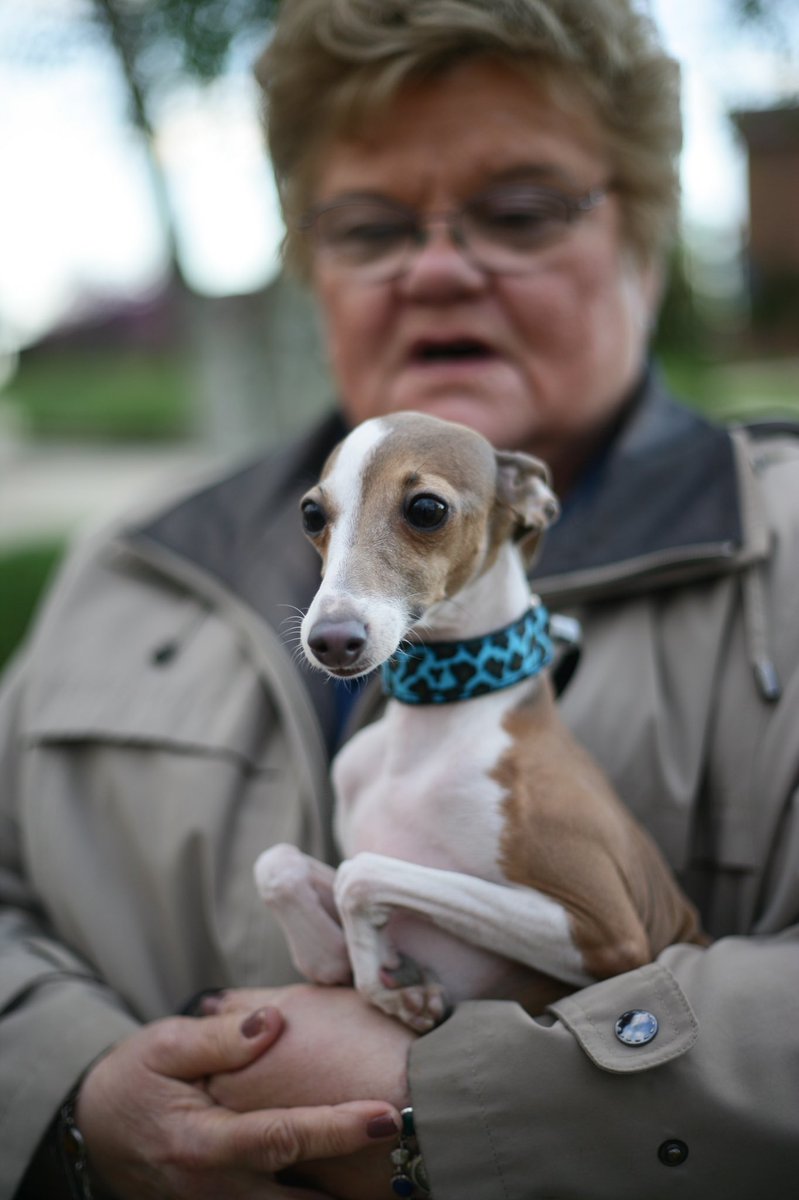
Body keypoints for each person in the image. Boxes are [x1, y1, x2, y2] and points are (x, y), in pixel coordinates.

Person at [2, 0, 798, 1196]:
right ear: (311, 265)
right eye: (371, 225)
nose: (435, 267)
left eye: (519, 211)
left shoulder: (779, 553)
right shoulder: (130, 563)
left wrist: (457, 1109)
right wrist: (72, 1090)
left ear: (644, 240)